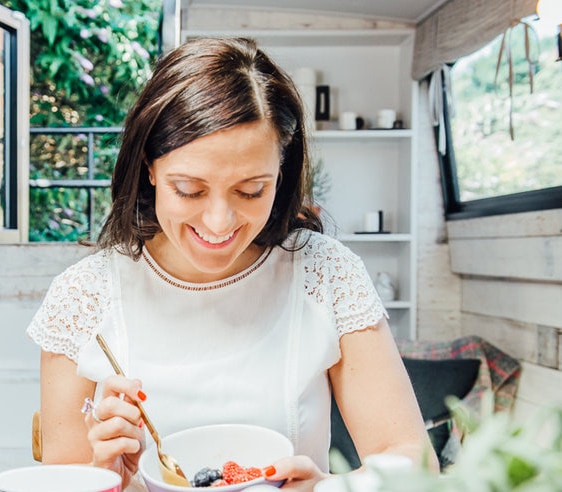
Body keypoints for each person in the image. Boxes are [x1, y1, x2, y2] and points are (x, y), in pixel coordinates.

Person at [26, 36, 439, 491]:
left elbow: (412, 463)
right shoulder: (83, 297)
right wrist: (107, 480)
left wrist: (329, 488)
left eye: (251, 190)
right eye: (189, 189)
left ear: (281, 174)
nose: (219, 223)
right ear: (149, 168)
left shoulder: (325, 273)